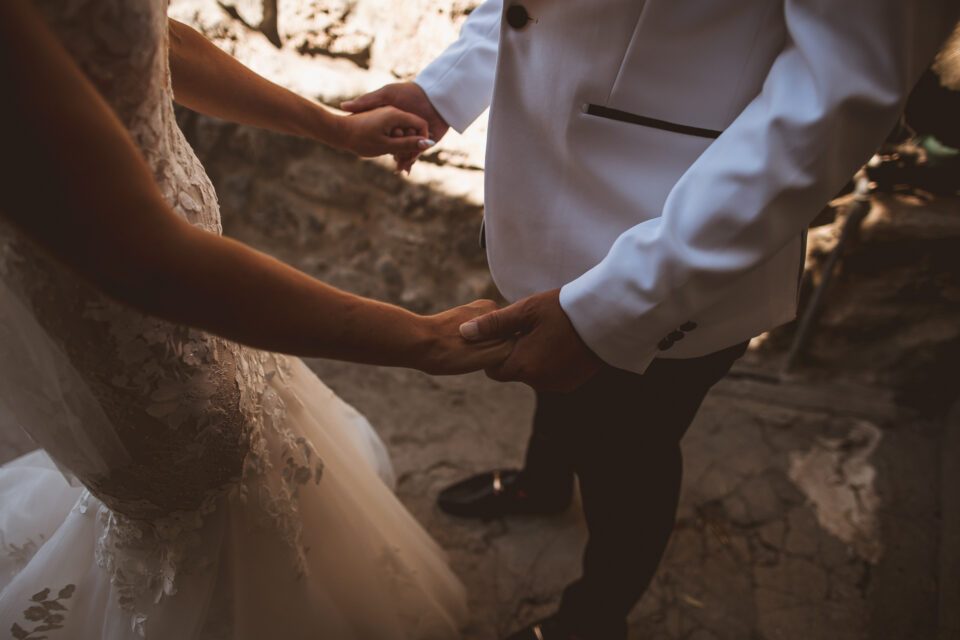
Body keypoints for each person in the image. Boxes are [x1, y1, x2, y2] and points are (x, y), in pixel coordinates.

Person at [343, 1, 960, 637]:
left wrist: (615, 310)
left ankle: (595, 617)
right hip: (542, 192)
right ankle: (544, 483)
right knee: (548, 372)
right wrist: (447, 86)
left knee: (629, 459)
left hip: (673, 230)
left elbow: (838, 92)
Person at [0, 0, 511, 637]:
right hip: (115, 302)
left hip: (185, 254)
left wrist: (333, 127)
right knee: (197, 485)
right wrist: (419, 339)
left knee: (248, 453)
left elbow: (153, 40)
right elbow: (145, 260)